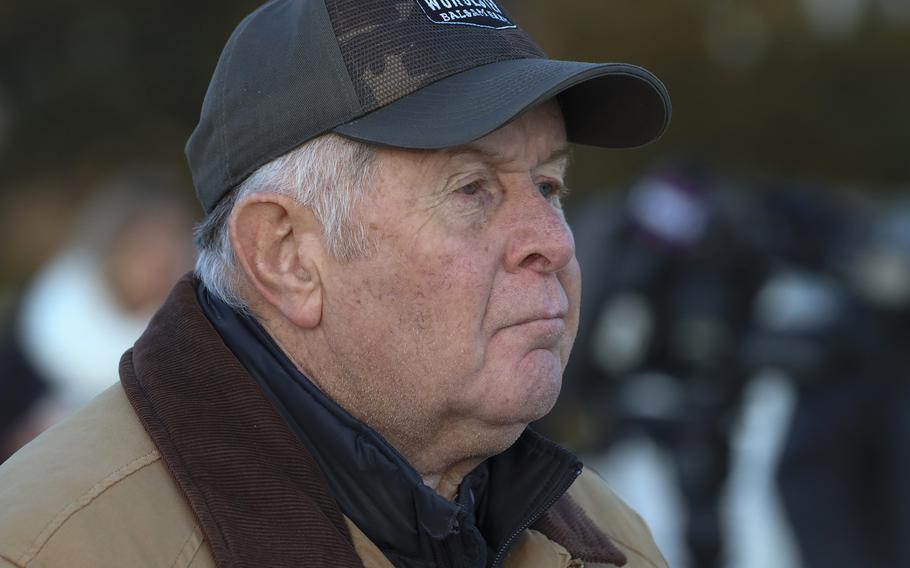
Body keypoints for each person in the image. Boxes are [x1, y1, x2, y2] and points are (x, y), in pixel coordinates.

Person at [0, 1, 671, 566]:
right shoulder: (45, 547)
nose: (555, 243)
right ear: (286, 256)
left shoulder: (607, 537)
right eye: (473, 189)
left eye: (549, 186)